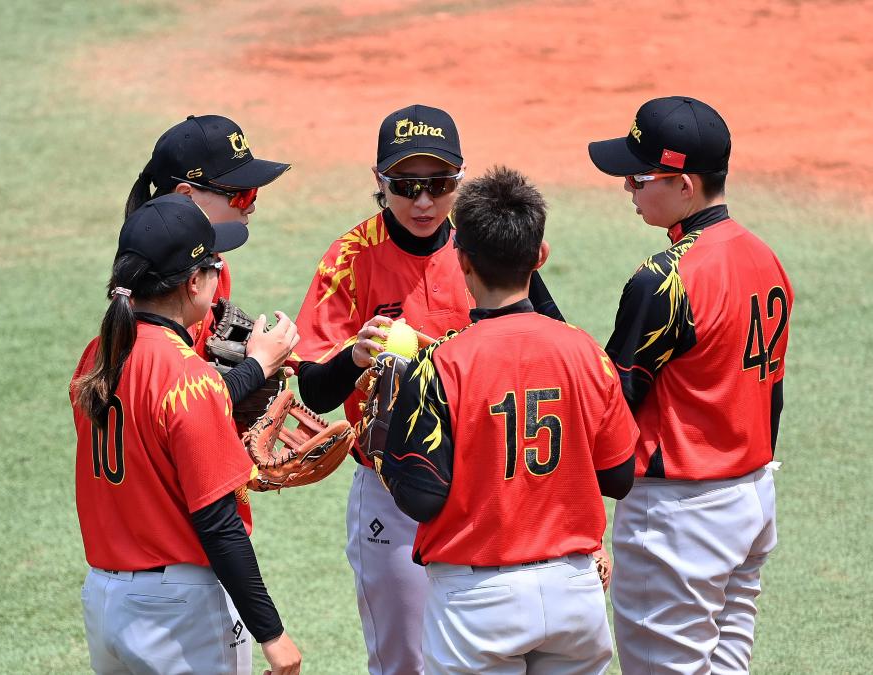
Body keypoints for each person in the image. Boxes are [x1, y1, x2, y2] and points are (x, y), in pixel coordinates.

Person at [292, 105, 564, 674]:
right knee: (406, 663)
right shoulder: (350, 258)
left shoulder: (481, 245)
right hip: (392, 490)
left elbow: (551, 337)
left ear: (460, 180)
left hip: (488, 483)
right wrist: (354, 355)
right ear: (379, 181)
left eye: (439, 185)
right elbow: (314, 389)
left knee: (489, 656)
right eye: (405, 186)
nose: (422, 202)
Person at [379, 165, 639, 674]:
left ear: (462, 260)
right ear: (540, 257)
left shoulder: (441, 364)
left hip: (479, 601)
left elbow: (421, 499)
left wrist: (392, 441)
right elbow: (619, 477)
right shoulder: (586, 351)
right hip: (574, 593)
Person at [588, 96, 794, 673]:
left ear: (684, 184)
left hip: (678, 518)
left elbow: (610, 405)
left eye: (639, 177)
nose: (627, 188)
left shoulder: (667, 279)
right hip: (751, 499)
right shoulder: (764, 257)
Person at [71, 195, 301, 675]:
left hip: (104, 600)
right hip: (176, 614)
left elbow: (160, 417)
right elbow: (218, 524)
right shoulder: (188, 378)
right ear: (194, 281)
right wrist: (273, 635)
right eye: (214, 265)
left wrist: (254, 369)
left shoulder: (97, 355)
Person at [126, 114, 297, 407]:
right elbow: (181, 403)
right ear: (187, 196)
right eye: (242, 195)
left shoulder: (212, 264)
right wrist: (257, 367)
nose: (251, 207)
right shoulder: (158, 287)